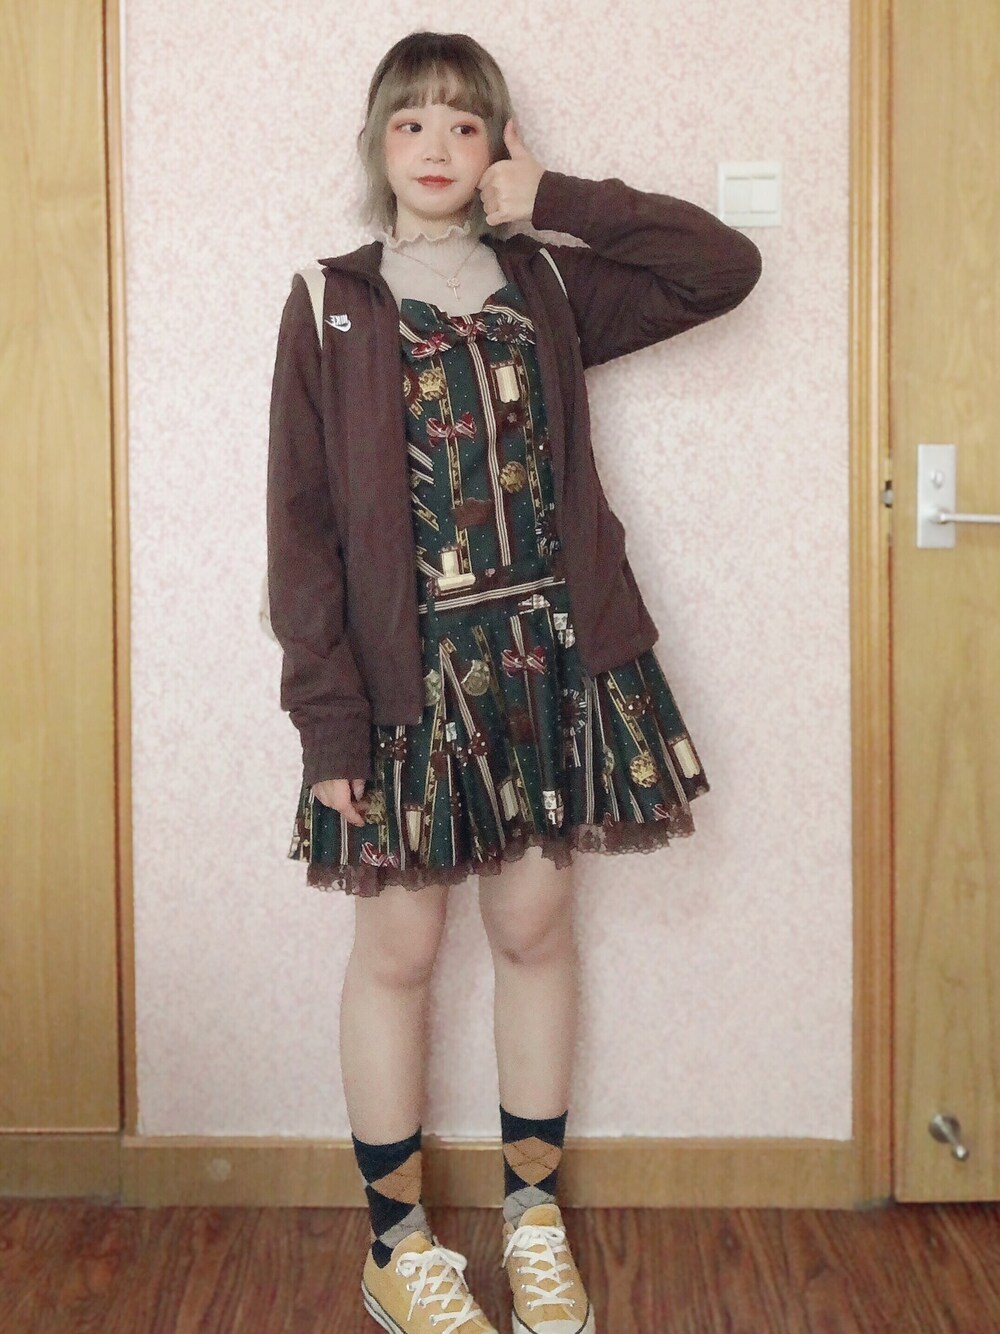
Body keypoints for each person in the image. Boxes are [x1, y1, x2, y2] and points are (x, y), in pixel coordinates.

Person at [266, 29, 762, 1334]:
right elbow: (299, 531)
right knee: (400, 947)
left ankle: (534, 1219)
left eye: (464, 124)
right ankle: (397, 1245)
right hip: (404, 686)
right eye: (411, 123)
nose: (436, 146)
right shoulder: (330, 303)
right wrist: (329, 723)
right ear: (378, 145)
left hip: (552, 667)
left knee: (535, 932)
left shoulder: (547, 283)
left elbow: (722, 267)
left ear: (498, 147)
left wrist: (562, 199)